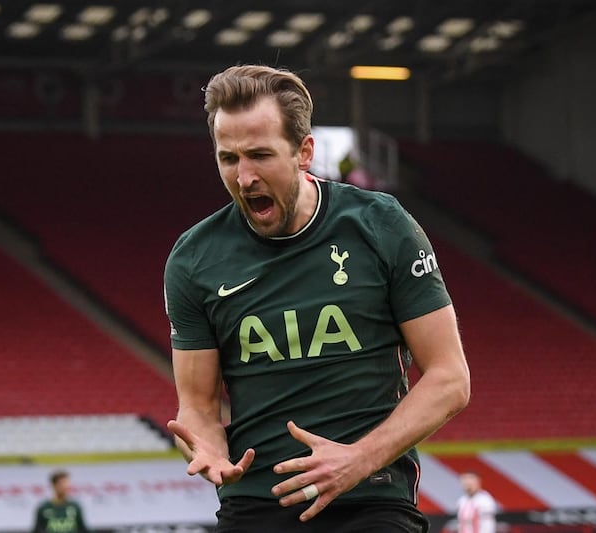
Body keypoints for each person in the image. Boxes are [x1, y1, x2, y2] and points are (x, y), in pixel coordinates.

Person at [164, 64, 470, 532]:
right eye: (228, 159)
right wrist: (205, 447)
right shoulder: (194, 259)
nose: (244, 178)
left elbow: (450, 378)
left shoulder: (381, 226)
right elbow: (199, 407)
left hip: (370, 495)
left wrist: (359, 459)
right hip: (256, 499)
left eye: (260, 155)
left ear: (305, 151)